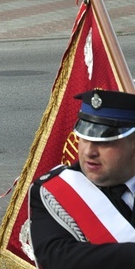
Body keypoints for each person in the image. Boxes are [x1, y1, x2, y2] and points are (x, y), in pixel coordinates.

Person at [29, 89, 135, 267]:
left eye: (105, 141)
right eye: (84, 138)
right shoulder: (53, 190)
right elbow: (58, 258)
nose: (88, 152)